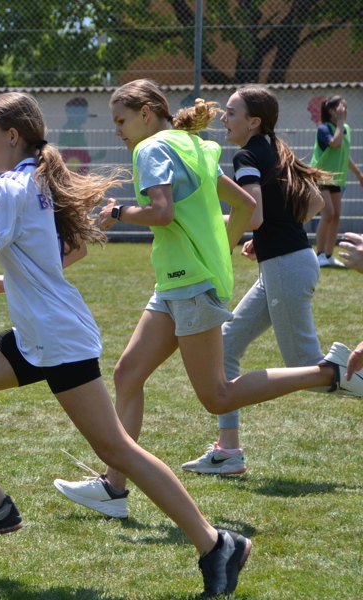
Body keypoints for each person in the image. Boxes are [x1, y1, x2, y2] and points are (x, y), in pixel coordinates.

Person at [0, 90, 251, 597]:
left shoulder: (10, 185)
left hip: (56, 339)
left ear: (12, 136)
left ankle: (215, 543)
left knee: (116, 447)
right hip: (38, 335)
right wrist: (21, 279)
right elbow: (68, 249)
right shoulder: (40, 178)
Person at [53, 80, 363, 521]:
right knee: (127, 374)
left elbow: (162, 212)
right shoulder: (192, 144)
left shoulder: (151, 150)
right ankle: (113, 486)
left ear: (145, 113)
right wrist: (218, 249)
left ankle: (326, 372)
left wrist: (118, 212)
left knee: (217, 396)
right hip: (178, 281)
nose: (117, 131)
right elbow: (248, 210)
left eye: (121, 120)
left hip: (190, 282)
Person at [181, 85, 327, 475]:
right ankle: (229, 454)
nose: (223, 119)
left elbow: (255, 215)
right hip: (287, 264)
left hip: (285, 268)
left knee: (311, 371)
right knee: (226, 346)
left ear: (254, 121)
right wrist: (265, 239)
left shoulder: (246, 154)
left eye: (230, 112)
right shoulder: (278, 149)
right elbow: (314, 203)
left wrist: (199, 226)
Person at [311, 95, 363, 267]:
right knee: (328, 214)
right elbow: (335, 143)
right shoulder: (324, 129)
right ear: (332, 111)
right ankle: (319, 255)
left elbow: (345, 155)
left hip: (337, 178)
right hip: (321, 176)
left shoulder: (345, 128)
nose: (345, 111)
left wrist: (358, 174)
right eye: (341, 107)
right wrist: (340, 122)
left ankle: (328, 255)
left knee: (336, 216)